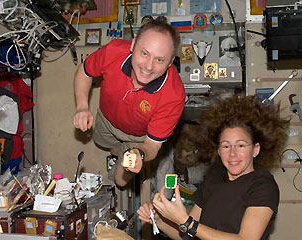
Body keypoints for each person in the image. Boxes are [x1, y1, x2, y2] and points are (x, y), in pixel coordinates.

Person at [138, 95, 290, 240]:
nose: (232, 154)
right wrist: (158, 220)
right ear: (218, 151)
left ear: (255, 149)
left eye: (241, 145)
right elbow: (186, 235)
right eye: (226, 146)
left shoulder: (261, 185)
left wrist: (185, 221)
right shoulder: (213, 179)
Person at [73, 19, 186, 187]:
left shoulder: (174, 95)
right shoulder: (113, 51)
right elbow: (85, 71)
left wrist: (139, 153)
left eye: (160, 60)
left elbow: (152, 145)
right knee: (103, 143)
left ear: (170, 62)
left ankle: (158, 156)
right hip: (106, 119)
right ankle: (119, 151)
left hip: (139, 137)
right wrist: (82, 107)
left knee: (120, 181)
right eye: (144, 53)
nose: (148, 66)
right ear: (133, 45)